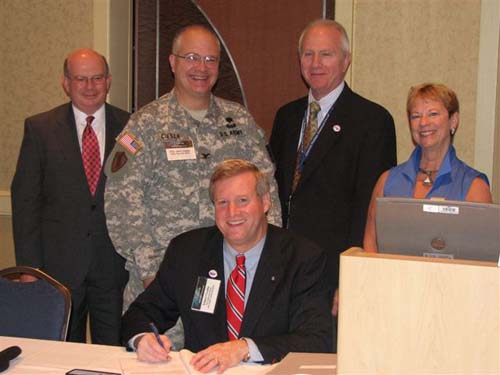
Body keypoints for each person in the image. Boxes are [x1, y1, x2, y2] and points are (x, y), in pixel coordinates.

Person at [104, 24, 281, 326]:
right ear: (173, 62)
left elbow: (268, 196)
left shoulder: (238, 120)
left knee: (219, 363)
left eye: (210, 59)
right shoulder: (144, 124)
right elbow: (122, 205)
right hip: (162, 283)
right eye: (192, 57)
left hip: (230, 282)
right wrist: (152, 273)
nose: (202, 67)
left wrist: (268, 264)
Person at [121, 159, 332, 372]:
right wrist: (142, 339)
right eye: (222, 202)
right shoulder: (188, 252)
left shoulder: (302, 258)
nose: (232, 213)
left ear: (265, 202)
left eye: (242, 200)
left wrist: (244, 348)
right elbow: (141, 313)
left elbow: (316, 340)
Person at [270, 19, 397, 323]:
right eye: (308, 54)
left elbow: (370, 210)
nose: (315, 64)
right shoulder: (286, 117)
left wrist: (351, 277)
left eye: (326, 54)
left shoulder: (372, 121)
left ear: (346, 61)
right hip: (282, 269)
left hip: (332, 273)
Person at [11, 49, 129, 345]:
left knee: (113, 352)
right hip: (58, 270)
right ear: (66, 83)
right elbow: (25, 202)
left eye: (97, 78)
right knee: (63, 351)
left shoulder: (131, 127)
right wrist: (30, 269)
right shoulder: (40, 129)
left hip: (114, 269)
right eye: (81, 79)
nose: (90, 87)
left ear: (108, 80)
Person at [363, 83, 492, 252]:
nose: (423, 122)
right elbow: (371, 245)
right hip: (393, 278)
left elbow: (483, 256)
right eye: (416, 116)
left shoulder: (474, 187)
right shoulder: (387, 182)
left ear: (453, 120)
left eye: (433, 114)